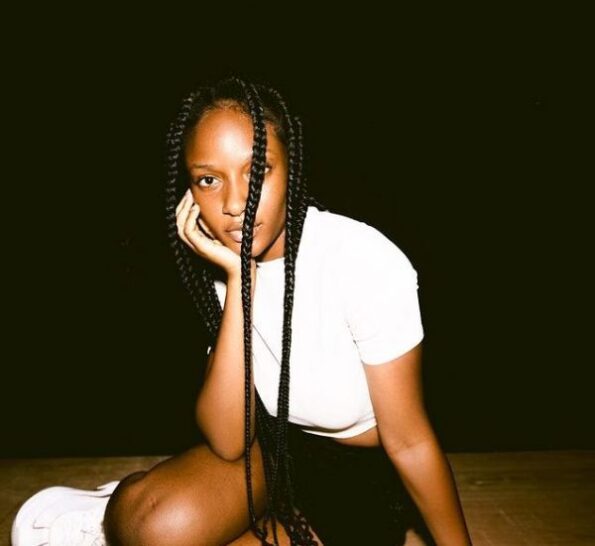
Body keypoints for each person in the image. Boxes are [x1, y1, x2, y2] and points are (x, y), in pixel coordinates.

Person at [11, 75, 473, 546]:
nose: (235, 204)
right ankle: (102, 516)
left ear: (291, 168)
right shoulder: (224, 266)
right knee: (146, 526)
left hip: (360, 476)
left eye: (257, 171)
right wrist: (239, 281)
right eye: (209, 180)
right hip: (267, 450)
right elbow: (228, 438)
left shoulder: (362, 260)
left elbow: (409, 442)